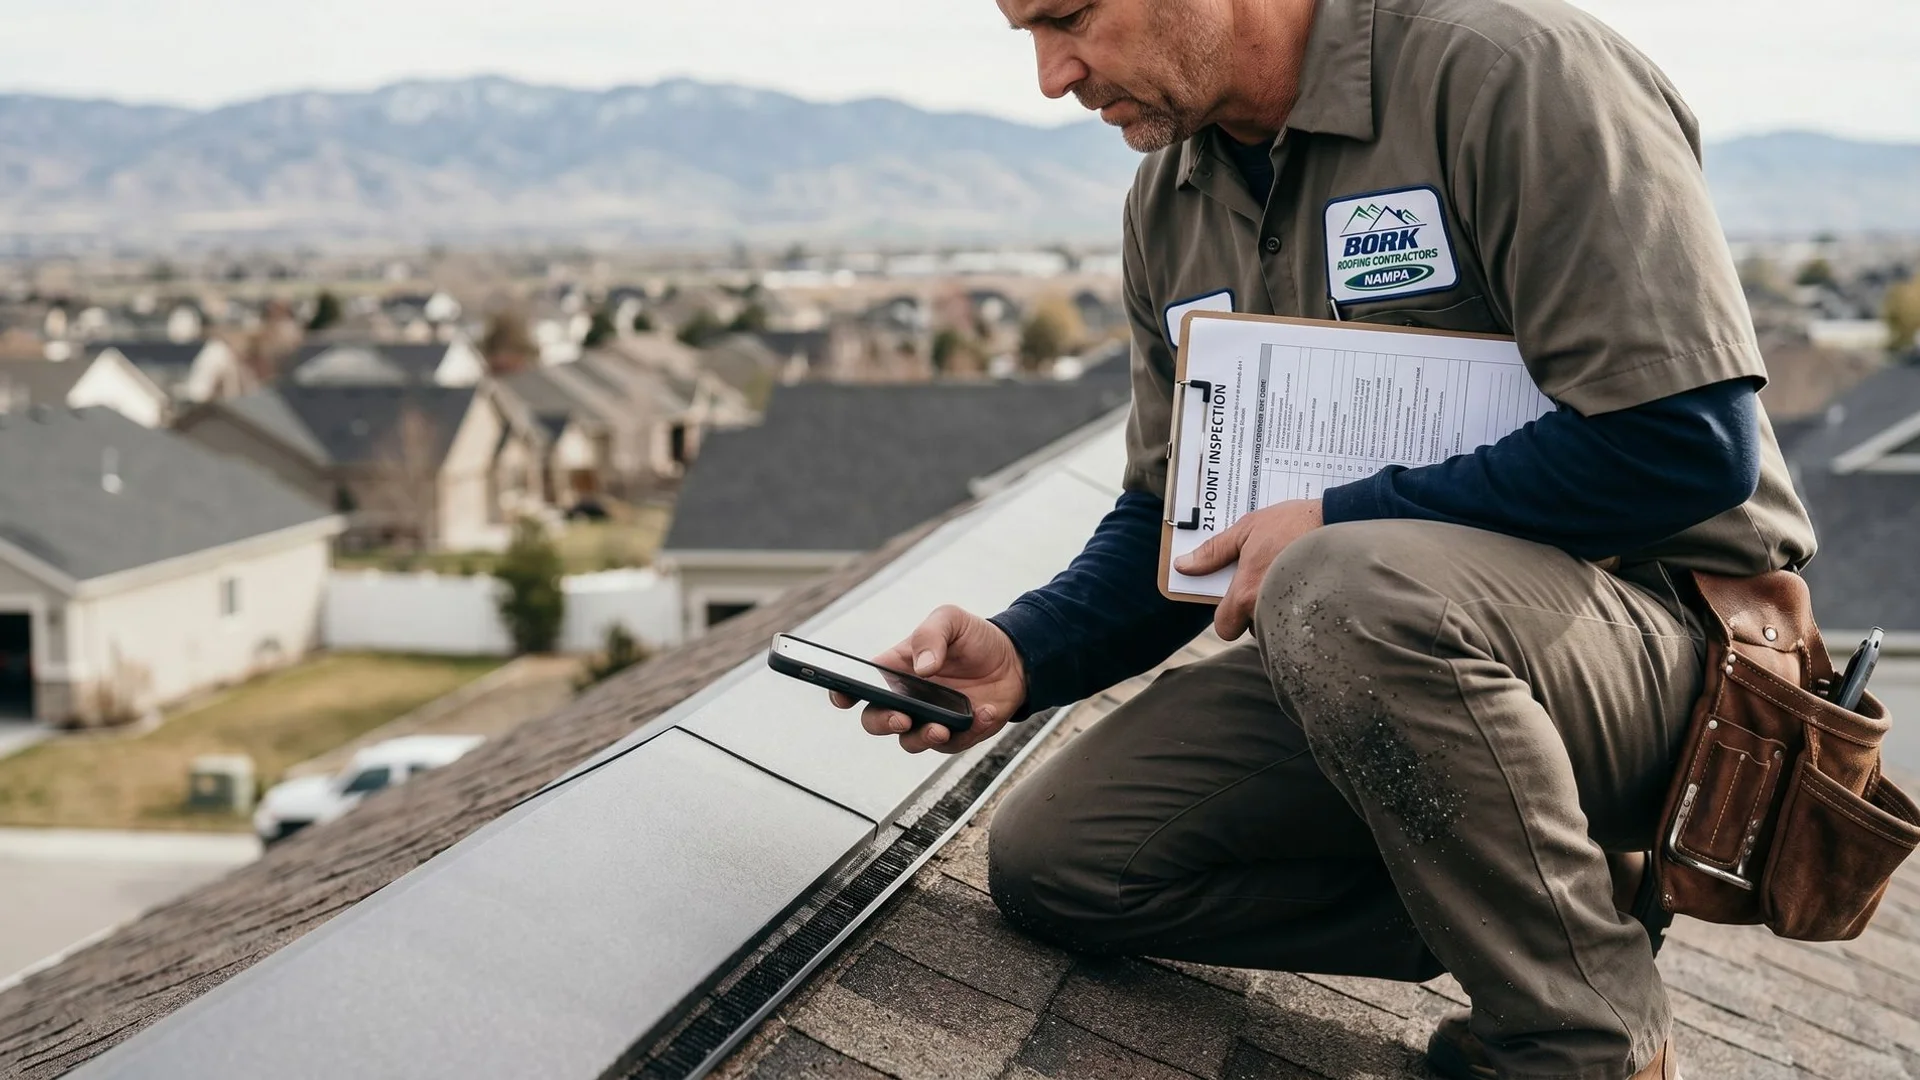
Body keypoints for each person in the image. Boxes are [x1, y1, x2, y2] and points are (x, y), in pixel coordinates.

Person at [832, 0, 1817, 1076]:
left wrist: (1343, 518)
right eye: (1025, 31)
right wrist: (1027, 651)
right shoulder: (1172, 202)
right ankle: (1558, 888)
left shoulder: (1512, 74)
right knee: (1065, 861)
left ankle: (1578, 1043)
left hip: (1677, 658)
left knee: (1339, 575)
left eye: (1068, 17)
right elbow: (1181, 517)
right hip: (1394, 653)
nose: (1051, 75)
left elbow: (1685, 446)